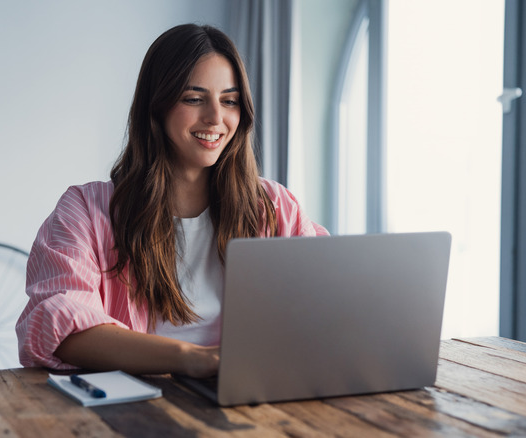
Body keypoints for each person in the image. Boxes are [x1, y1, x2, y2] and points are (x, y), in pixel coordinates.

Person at [16, 23, 328, 379]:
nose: (215, 118)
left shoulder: (274, 207)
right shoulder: (86, 211)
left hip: (249, 394)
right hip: (139, 401)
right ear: (157, 105)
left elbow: (329, 297)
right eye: (193, 99)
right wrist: (194, 358)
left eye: (229, 101)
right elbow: (58, 324)